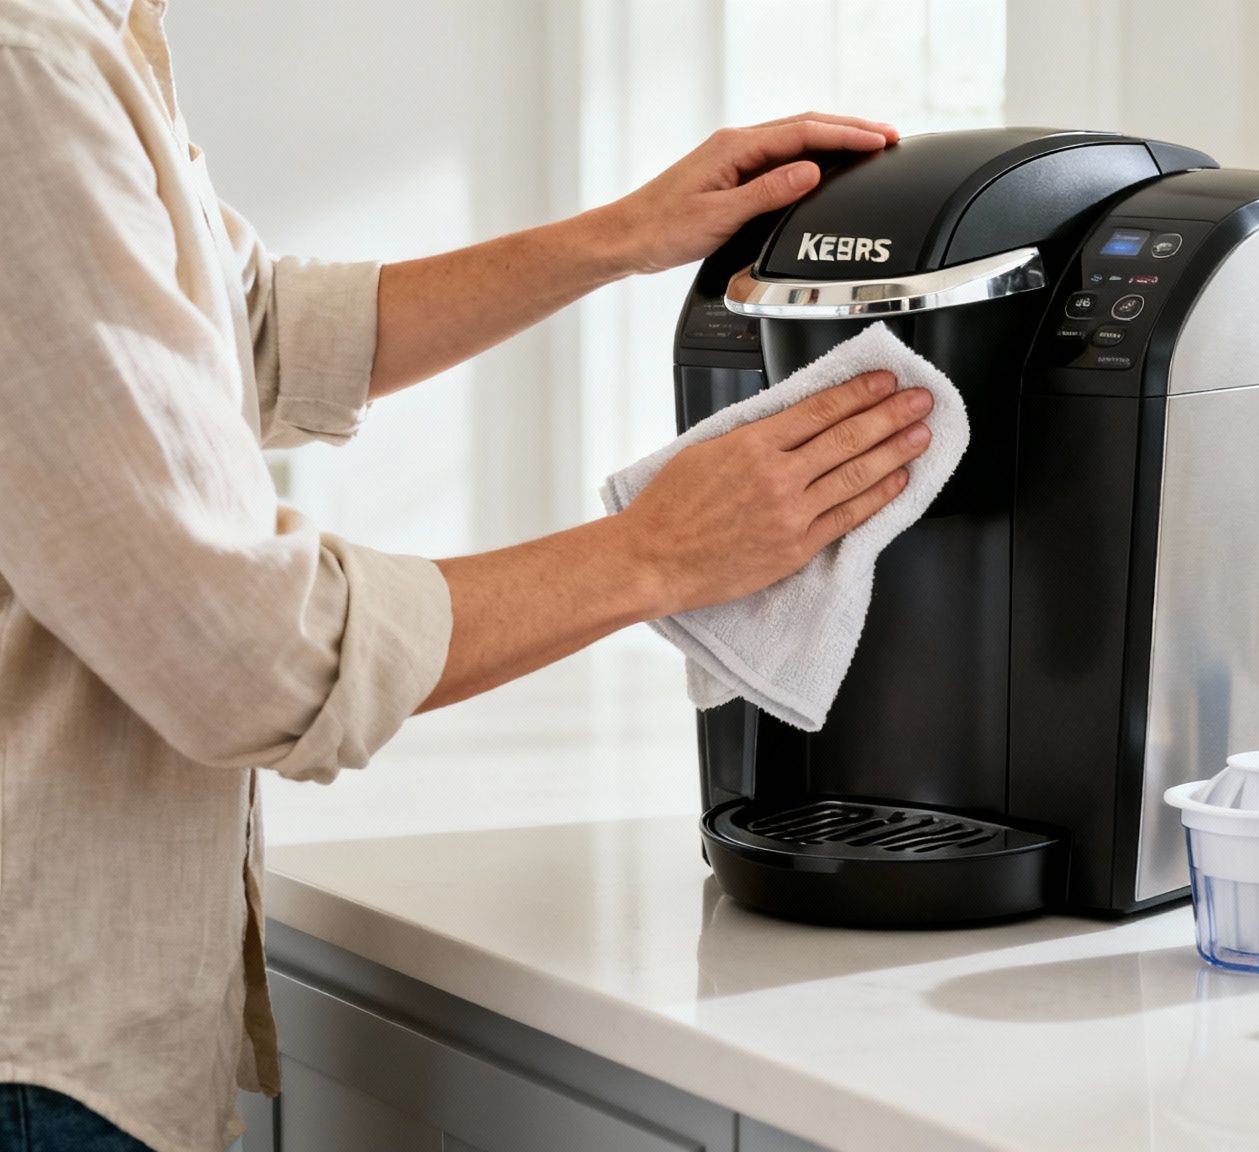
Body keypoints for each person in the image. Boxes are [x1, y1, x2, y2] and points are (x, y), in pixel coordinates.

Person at [0, 3, 931, 1149]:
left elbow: (246, 332)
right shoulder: (24, 65)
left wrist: (624, 233)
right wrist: (653, 553)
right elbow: (239, 655)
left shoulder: (81, 33)